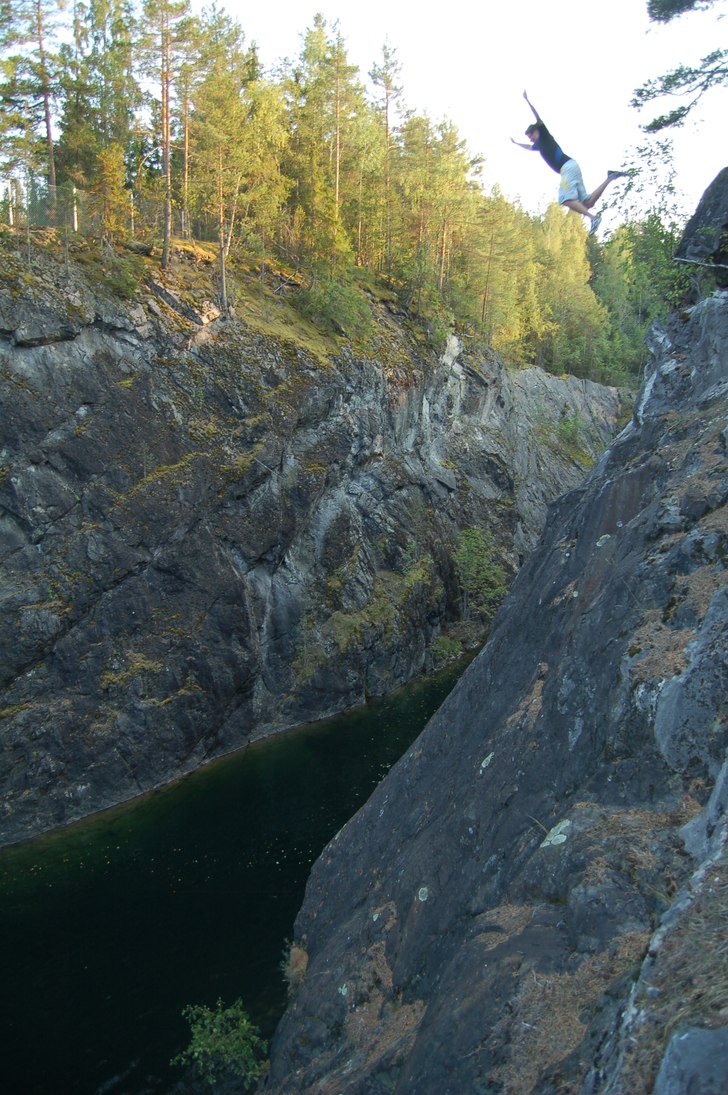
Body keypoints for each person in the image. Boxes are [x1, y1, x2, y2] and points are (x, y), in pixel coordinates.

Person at [511, 91, 626, 233]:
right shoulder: (538, 145)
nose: (531, 139)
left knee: (564, 199)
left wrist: (527, 101)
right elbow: (529, 147)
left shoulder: (544, 135)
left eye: (531, 135)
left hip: (567, 168)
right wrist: (516, 143)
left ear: (537, 131)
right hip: (572, 166)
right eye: (529, 138)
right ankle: (610, 177)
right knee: (587, 203)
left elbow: (538, 118)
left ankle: (593, 218)